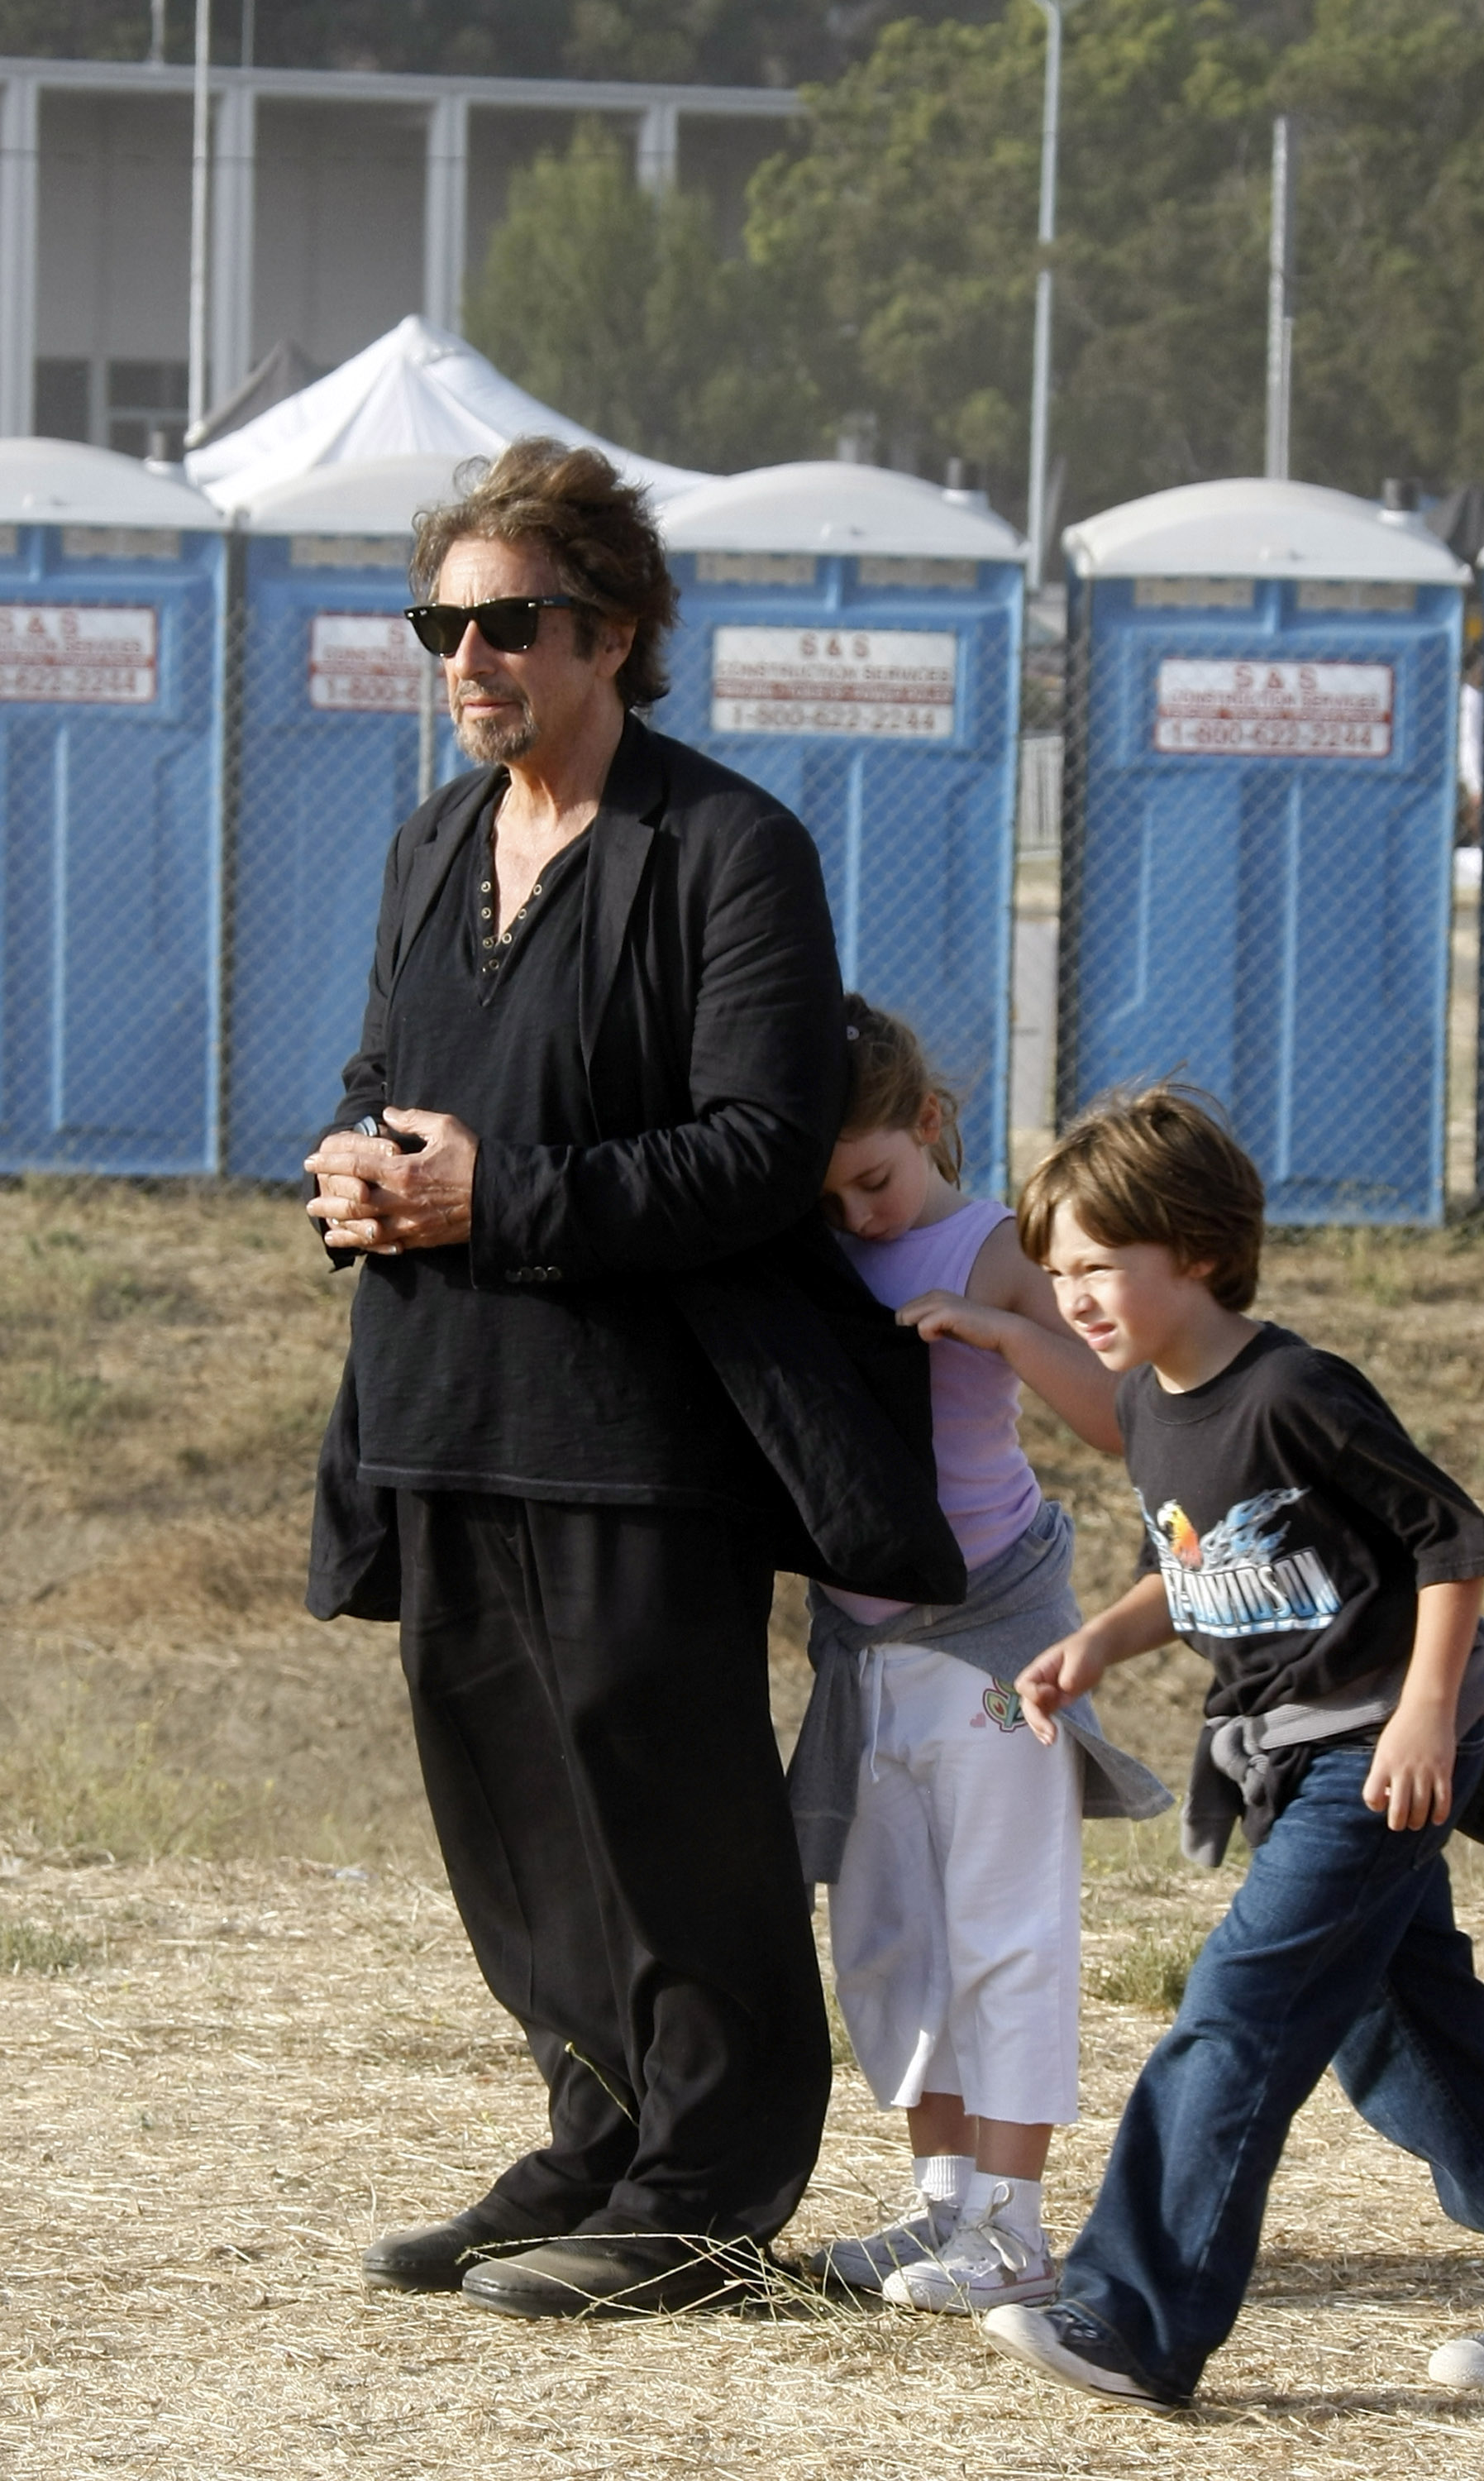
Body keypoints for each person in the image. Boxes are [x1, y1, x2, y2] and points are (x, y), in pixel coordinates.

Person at [302, 440, 964, 2322]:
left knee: (665, 1806)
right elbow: (381, 1072)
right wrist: (355, 1170)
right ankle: (589, 2134)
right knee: (504, 1802)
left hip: (638, 1422)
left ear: (616, 629)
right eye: (444, 622)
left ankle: (704, 2189)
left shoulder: (726, 847)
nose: (467, 657)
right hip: (437, 1394)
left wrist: (500, 1189)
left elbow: (761, 1144)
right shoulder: (434, 840)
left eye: (506, 622)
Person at [916, 1083, 1484, 2407]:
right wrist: (1099, 1644)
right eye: (1054, 1271)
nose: (1071, 1295)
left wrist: (1421, 1715)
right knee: (1409, 2040)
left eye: (1097, 1265)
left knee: (1232, 2015)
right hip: (1290, 1759)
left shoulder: (1292, 1388)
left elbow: (1449, 1544)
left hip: (1379, 1751)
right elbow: (1195, 1571)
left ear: (1191, 1247)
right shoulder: (1152, 1411)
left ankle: (1131, 2321)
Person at [788, 1000, 1169, 2314]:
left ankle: (1013, 2224)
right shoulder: (819, 1253)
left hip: (995, 1640)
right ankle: (939, 2202)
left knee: (1004, 1931)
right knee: (891, 1937)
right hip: (865, 1652)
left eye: (875, 1180)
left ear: (928, 1126)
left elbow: (1124, 1423)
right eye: (832, 1198)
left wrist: (1004, 1327)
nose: (863, 1217)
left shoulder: (995, 1248)